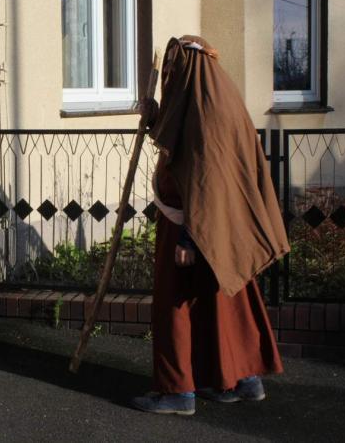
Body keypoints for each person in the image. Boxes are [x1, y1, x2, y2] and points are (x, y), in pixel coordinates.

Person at [131, 36, 289, 416]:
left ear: (187, 68)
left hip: (193, 227)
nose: (168, 77)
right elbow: (182, 142)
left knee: (175, 306)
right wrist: (154, 117)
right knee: (224, 303)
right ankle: (242, 379)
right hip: (220, 226)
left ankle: (177, 391)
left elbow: (206, 176)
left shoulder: (206, 112)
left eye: (173, 70)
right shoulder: (215, 97)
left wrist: (189, 238)